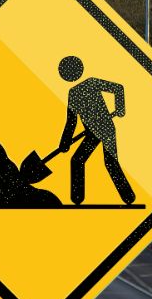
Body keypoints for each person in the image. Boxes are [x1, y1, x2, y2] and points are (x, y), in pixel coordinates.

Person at [56, 55, 136, 205]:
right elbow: (71, 121)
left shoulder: (91, 83)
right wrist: (64, 142)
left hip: (105, 128)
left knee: (110, 161)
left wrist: (120, 108)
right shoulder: (73, 93)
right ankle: (77, 200)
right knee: (77, 160)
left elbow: (118, 88)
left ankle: (128, 197)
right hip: (91, 132)